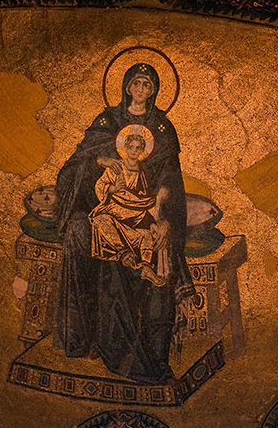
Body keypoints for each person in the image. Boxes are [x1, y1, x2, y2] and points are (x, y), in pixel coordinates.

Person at [54, 63, 194, 384]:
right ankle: (83, 335)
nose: (142, 90)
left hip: (147, 216)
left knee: (163, 254)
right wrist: (101, 160)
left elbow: (171, 182)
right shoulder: (107, 122)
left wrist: (167, 223)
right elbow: (76, 166)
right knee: (79, 231)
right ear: (127, 87)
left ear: (155, 91)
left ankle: (157, 356)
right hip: (107, 211)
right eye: (137, 83)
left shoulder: (162, 130)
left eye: (148, 85)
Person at [90, 133, 168, 287]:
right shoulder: (117, 166)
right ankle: (123, 252)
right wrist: (113, 188)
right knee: (101, 221)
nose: (134, 151)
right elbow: (100, 185)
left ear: (142, 151)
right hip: (115, 208)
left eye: (138, 148)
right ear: (125, 148)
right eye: (131, 147)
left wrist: (151, 221)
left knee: (146, 234)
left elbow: (145, 198)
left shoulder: (142, 172)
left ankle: (146, 268)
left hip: (135, 212)